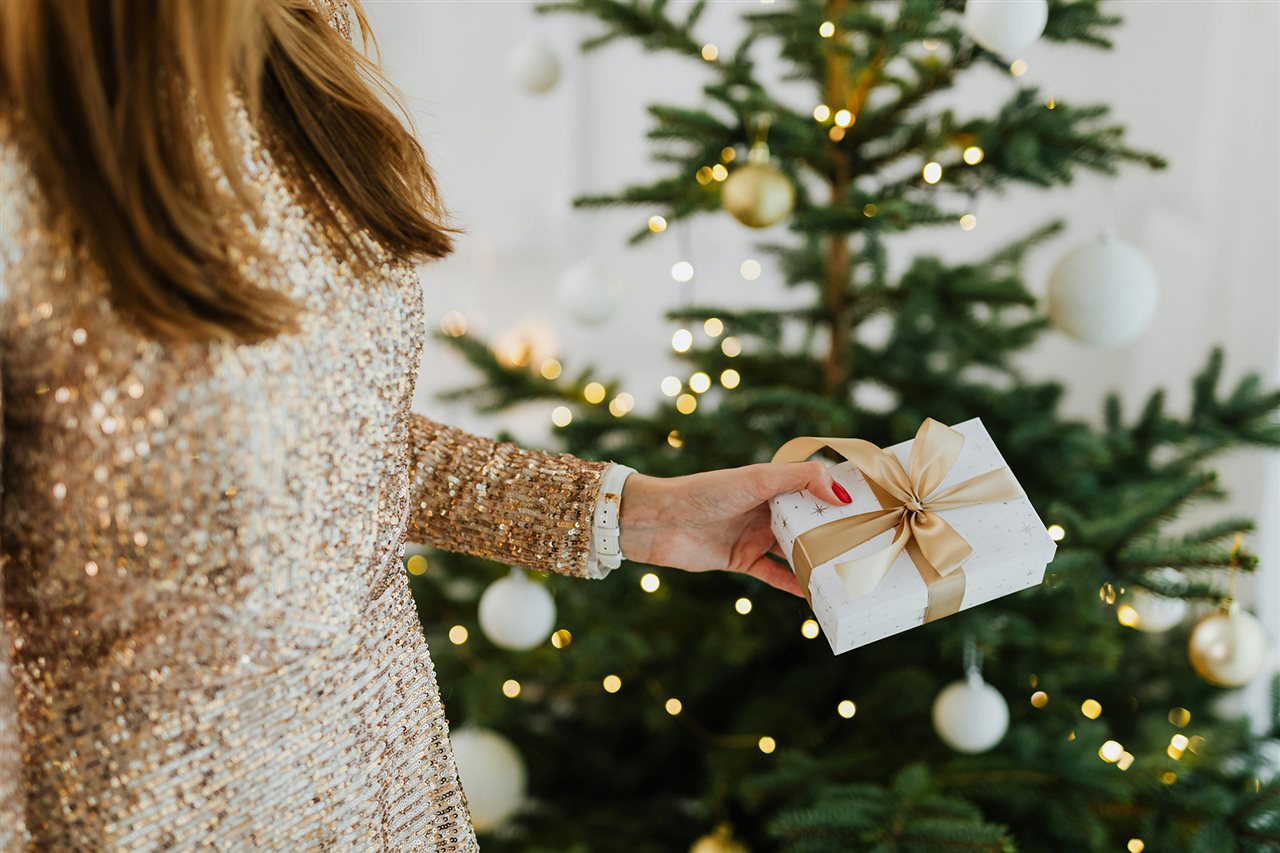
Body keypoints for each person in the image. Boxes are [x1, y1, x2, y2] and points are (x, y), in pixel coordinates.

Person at [0, 1, 852, 848]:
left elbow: (333, 440)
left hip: (381, 781)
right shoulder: (22, 163)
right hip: (140, 814)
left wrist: (641, 516)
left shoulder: (284, 58)